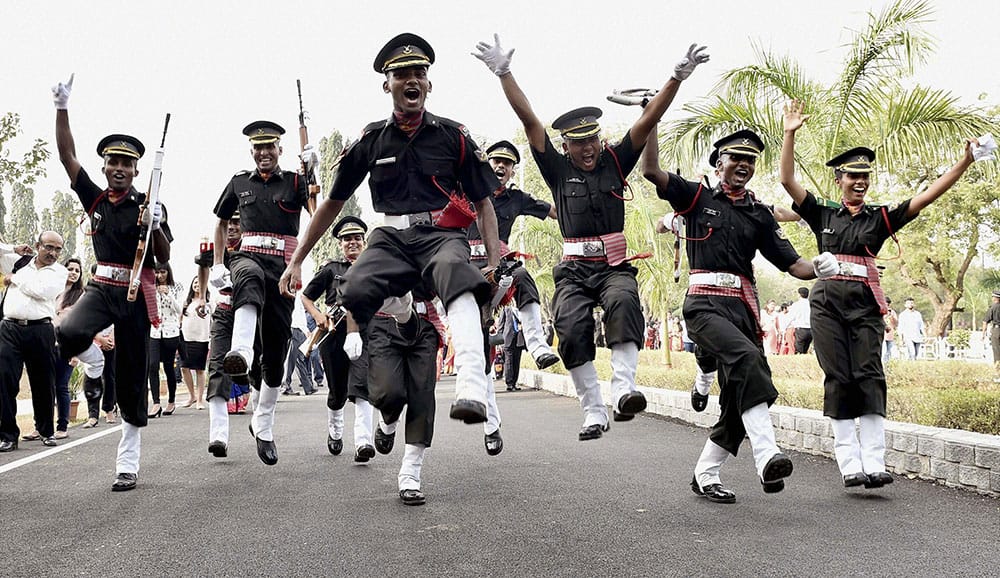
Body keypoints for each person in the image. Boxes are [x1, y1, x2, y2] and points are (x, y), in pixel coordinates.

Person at [475, 33, 709, 439]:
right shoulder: (556, 169)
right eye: (578, 143)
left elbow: (647, 120)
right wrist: (505, 74)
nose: (587, 149)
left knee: (623, 302)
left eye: (592, 141)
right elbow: (530, 120)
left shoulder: (616, 161)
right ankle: (593, 410)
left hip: (614, 266)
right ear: (565, 145)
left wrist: (676, 78)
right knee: (569, 326)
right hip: (574, 270)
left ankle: (624, 390)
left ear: (601, 141)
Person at [279, 33, 504, 430]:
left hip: (440, 236)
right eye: (402, 74)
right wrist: (296, 260)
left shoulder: (454, 136)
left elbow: (484, 203)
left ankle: (471, 384)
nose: (411, 80)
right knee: (355, 285)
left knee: (458, 274)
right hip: (391, 239)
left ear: (429, 84)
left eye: (419, 72)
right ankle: (393, 331)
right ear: (388, 84)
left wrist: (493, 261)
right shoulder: (371, 139)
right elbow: (331, 204)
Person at [780, 99, 979, 489]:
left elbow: (927, 197)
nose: (860, 182)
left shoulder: (880, 217)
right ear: (839, 179)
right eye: (852, 176)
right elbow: (787, 180)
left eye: (865, 178)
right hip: (827, 303)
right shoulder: (822, 212)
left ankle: (875, 462)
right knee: (838, 376)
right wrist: (789, 133)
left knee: (870, 374)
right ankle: (849, 463)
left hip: (865, 304)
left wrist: (965, 163)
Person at [643, 123, 838, 502]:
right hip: (703, 306)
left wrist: (821, 267)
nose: (744, 164)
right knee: (748, 360)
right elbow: (651, 170)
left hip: (742, 311)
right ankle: (767, 456)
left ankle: (705, 474)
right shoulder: (695, 198)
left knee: (737, 399)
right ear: (719, 164)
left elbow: (793, 265)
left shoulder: (758, 214)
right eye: (737, 158)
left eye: (750, 159)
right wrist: (649, 118)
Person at [53, 75, 171, 491]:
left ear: (137, 169)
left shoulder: (149, 203)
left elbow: (164, 256)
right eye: (113, 163)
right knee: (67, 330)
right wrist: (61, 106)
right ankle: (96, 361)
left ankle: (128, 460)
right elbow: (67, 156)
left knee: (135, 378)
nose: (119, 169)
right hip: (103, 288)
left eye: (127, 164)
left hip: (138, 293)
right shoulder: (97, 199)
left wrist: (153, 225)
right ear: (105, 167)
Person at [210, 120, 310, 466]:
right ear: (251, 151)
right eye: (258, 147)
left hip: (283, 266)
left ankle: (263, 423)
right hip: (247, 257)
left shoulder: (295, 181)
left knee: (276, 349)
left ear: (280, 150)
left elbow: (318, 209)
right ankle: (238, 352)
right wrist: (221, 263)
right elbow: (221, 221)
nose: (264, 153)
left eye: (270, 147)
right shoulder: (239, 181)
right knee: (248, 278)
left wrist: (313, 176)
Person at [469, 140, 559, 370]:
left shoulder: (517, 198)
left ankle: (538, 347)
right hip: (465, 267)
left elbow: (556, 213)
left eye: (507, 163)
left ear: (511, 171)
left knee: (522, 275)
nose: (501, 166)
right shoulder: (466, 189)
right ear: (487, 164)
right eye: (497, 161)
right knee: (479, 353)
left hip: (498, 268)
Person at [300, 216, 376, 460]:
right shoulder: (331, 269)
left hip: (365, 330)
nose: (352, 243)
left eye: (356, 238)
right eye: (347, 239)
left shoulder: (373, 267)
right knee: (337, 391)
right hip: (333, 333)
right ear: (340, 244)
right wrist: (318, 315)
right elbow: (306, 297)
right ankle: (335, 431)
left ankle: (363, 442)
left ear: (364, 241)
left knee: (362, 385)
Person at [367, 289, 444, 505]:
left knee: (422, 396)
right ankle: (387, 422)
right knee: (388, 392)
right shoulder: (380, 254)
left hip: (423, 322)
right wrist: (352, 330)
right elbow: (358, 286)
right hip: (383, 322)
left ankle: (410, 475)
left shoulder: (433, 253)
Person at [196, 211, 262, 458]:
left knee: (257, 367)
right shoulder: (213, 248)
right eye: (229, 222)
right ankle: (219, 435)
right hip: (223, 313)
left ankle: (259, 419)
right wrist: (202, 296)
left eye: (237, 222)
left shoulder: (254, 249)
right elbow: (202, 264)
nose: (232, 227)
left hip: (251, 312)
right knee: (217, 368)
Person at [0, 233, 69, 451]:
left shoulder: (60, 271)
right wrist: (12, 248)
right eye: (49, 247)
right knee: (5, 381)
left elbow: (41, 291)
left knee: (43, 382)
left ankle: (46, 430)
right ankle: (8, 435)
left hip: (40, 329)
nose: (53, 253)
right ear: (38, 246)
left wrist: (14, 278)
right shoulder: (19, 261)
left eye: (58, 249)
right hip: (9, 329)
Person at [52, 256, 85, 434]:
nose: (73, 273)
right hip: (46, 342)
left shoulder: (81, 296)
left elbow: (81, 325)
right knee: (44, 386)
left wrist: (76, 352)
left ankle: (62, 427)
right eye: (70, 269)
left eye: (76, 271)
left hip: (66, 345)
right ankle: (41, 426)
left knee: (61, 385)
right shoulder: (52, 290)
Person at [148, 262, 183, 417]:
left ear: (168, 272)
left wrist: (168, 293)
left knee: (169, 367)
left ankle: (171, 401)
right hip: (154, 331)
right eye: (157, 272)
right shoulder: (149, 287)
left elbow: (179, 309)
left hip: (171, 331)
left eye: (163, 272)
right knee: (152, 365)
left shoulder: (177, 287)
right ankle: (156, 403)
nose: (160, 276)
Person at [180, 276, 211, 409]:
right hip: (186, 338)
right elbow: (179, 319)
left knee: (200, 370)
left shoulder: (209, 303)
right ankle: (191, 396)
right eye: (195, 282)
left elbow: (214, 321)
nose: (197, 284)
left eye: (200, 282)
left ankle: (199, 399)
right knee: (184, 368)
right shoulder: (186, 302)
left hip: (202, 339)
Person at [281, 296, 316, 396]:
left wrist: (305, 330)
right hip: (295, 329)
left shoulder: (300, 298)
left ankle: (308, 387)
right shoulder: (296, 297)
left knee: (299, 360)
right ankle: (285, 386)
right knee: (291, 359)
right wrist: (305, 330)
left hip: (299, 330)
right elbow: (296, 316)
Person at [788, 287, 812, 354]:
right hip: (810, 329)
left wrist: (784, 328)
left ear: (799, 294)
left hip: (801, 329)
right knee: (805, 348)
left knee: (799, 348)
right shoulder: (811, 304)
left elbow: (791, 317)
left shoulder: (796, 304)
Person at [983, 291, 1000, 383]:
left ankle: (998, 374)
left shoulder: (992, 308)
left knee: (997, 352)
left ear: (995, 298)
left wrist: (983, 333)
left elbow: (985, 321)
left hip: (996, 331)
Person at [882, 297, 898, 363]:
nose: (887, 305)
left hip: (890, 335)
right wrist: (885, 316)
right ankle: (883, 364)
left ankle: (888, 365)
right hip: (883, 335)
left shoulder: (892, 312)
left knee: (889, 351)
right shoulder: (881, 311)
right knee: (884, 351)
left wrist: (891, 316)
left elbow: (895, 324)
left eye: (888, 304)